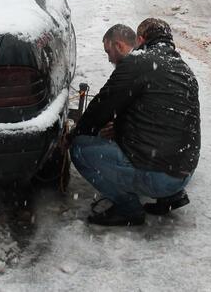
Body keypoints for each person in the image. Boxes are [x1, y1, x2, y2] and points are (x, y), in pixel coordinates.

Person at [67, 18, 201, 226]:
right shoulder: (184, 70)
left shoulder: (138, 62)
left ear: (140, 39)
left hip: (160, 176)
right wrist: (121, 128)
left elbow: (101, 107)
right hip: (184, 172)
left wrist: (72, 136)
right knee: (168, 143)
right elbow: (161, 119)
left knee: (80, 150)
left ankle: (128, 209)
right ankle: (171, 196)